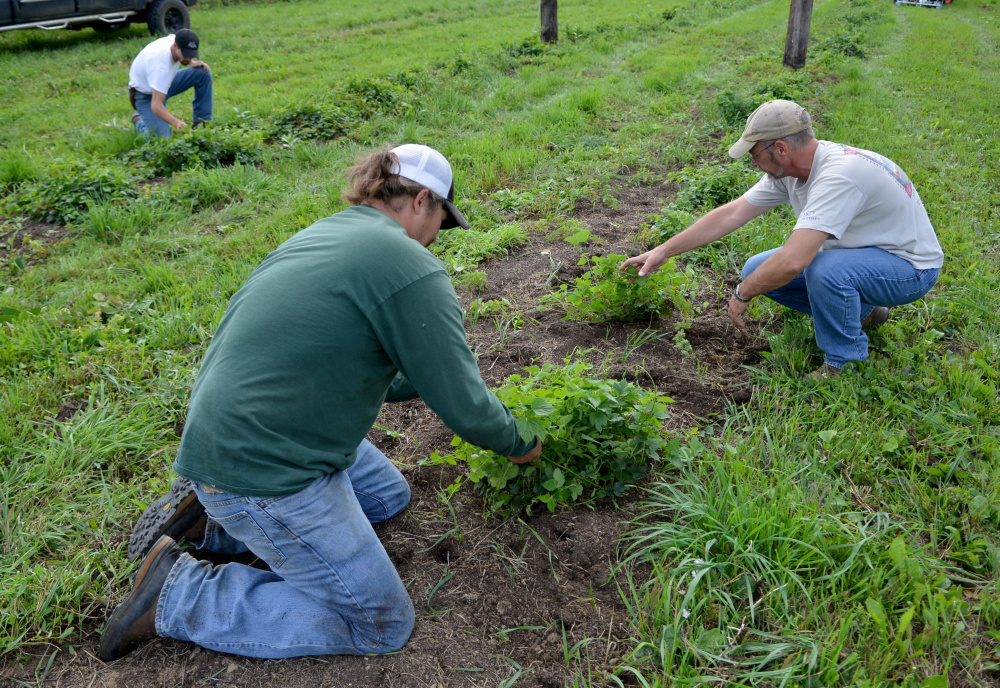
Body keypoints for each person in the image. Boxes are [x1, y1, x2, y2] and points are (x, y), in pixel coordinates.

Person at [99, 144, 542, 661]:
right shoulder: (408, 262)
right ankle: (179, 596)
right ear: (422, 200)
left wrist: (434, 374)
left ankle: (216, 524)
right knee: (382, 623)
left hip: (242, 428)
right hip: (266, 466)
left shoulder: (328, 233)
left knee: (387, 498)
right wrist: (521, 444)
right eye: (443, 221)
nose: (437, 238)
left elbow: (347, 364)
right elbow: (467, 411)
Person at [622, 99, 942, 377]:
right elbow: (731, 214)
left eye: (755, 153)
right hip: (865, 254)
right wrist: (664, 250)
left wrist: (743, 294)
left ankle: (845, 363)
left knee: (822, 270)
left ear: (780, 148)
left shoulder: (838, 175)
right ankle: (864, 312)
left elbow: (793, 261)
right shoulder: (790, 170)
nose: (752, 161)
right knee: (756, 268)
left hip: (910, 268)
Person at [128, 28, 213, 138]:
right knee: (162, 140)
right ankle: (140, 123)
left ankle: (201, 123)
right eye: (186, 54)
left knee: (203, 72)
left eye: (191, 54)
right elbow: (156, 105)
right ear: (175, 46)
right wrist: (176, 122)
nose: (188, 58)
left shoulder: (175, 40)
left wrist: (191, 62)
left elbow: (171, 35)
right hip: (145, 95)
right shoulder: (161, 67)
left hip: (164, 83)